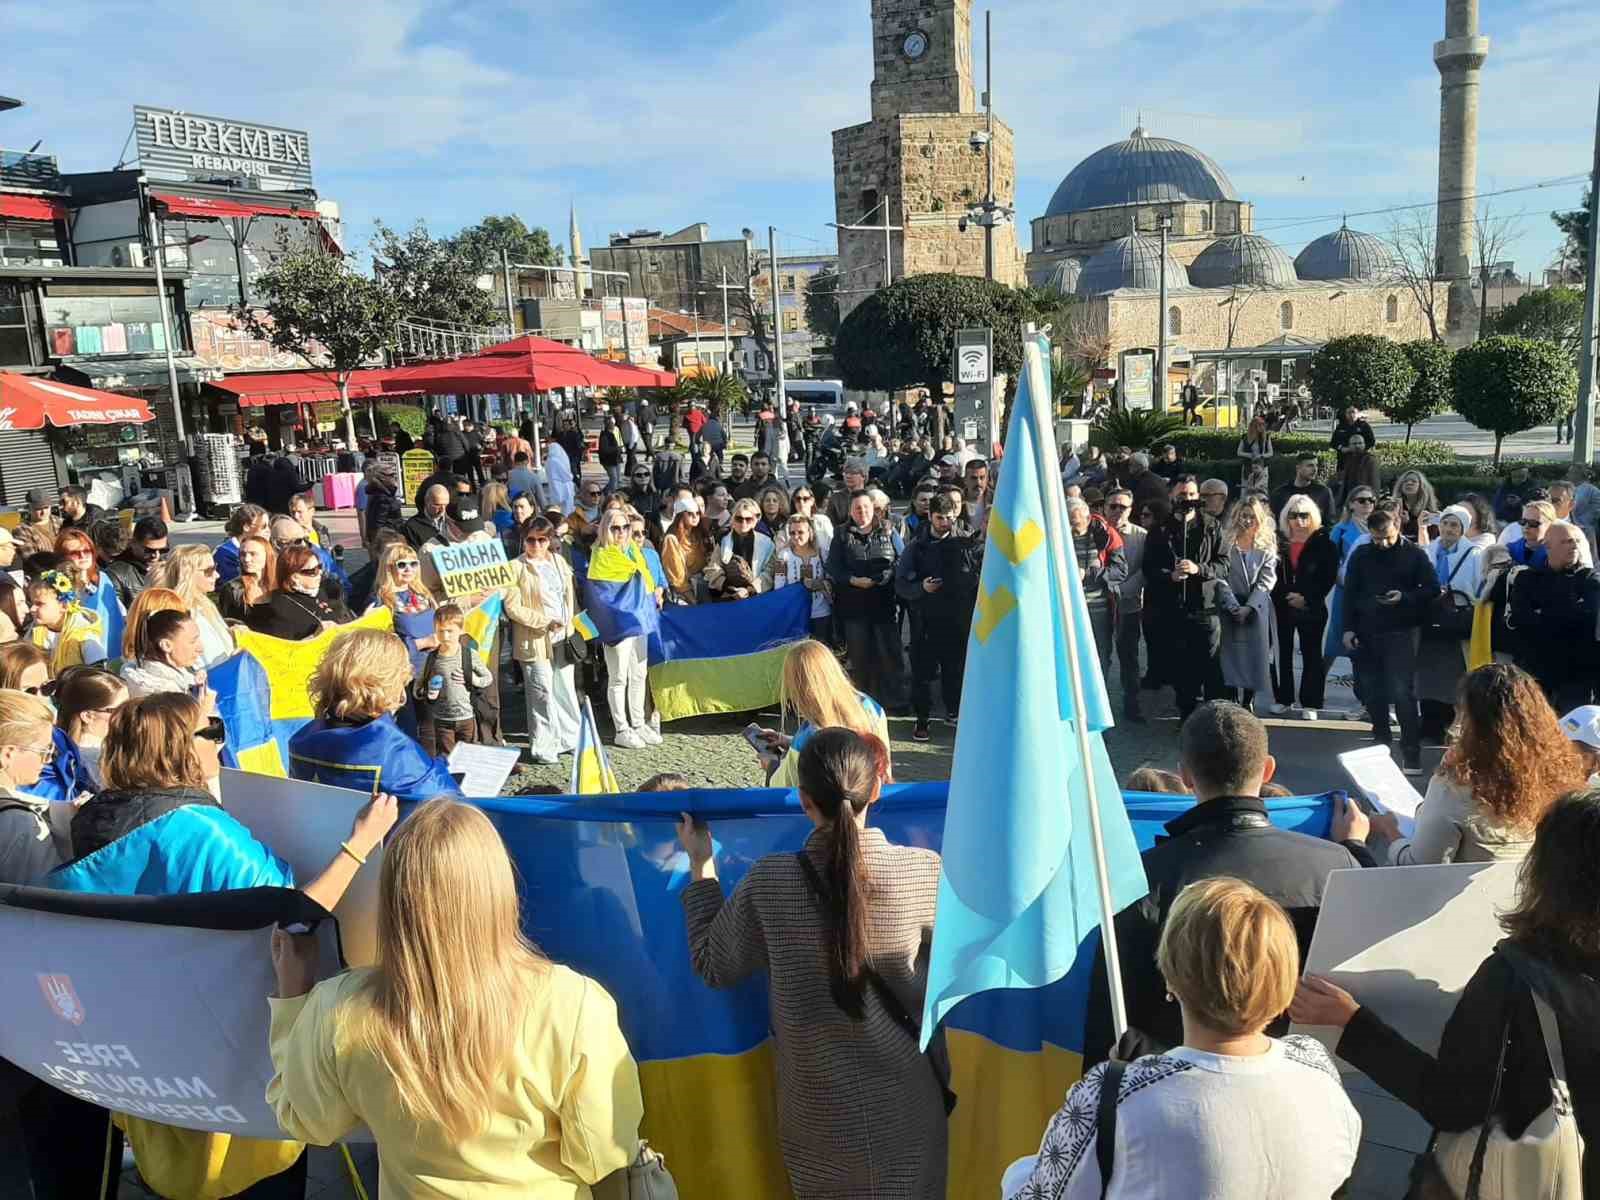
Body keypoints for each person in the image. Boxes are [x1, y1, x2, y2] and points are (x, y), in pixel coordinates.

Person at [52, 691, 399, 1200]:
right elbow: (294, 918)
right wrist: (361, 843)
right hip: (230, 1047)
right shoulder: (201, 832)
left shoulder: (91, 822)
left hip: (150, 1041)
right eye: (210, 731)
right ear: (177, 749)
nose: (220, 741)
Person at [267, 798, 644, 1197]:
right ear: (499, 888)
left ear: (393, 897)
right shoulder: (574, 1005)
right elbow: (601, 1155)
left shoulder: (337, 1006)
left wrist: (293, 1000)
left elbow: (307, 1122)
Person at [1292, 788, 1600, 1200]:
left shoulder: (1515, 977)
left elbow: (1452, 1103)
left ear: (1549, 873)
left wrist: (1352, 1024)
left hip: (1539, 1177)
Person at [679, 727, 946, 1199]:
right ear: (876, 789)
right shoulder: (923, 871)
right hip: (909, 1104)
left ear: (803, 800)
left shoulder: (770, 882)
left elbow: (713, 964)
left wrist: (702, 867)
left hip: (818, 1120)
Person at [1010, 878, 1360, 1200]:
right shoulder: (1317, 1069)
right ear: (1283, 975)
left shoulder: (1114, 1096)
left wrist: (1018, 1173)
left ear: (1171, 977)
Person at [1085, 702, 1368, 1066]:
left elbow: (1113, 1016)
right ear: (1267, 770)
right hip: (1297, 1071)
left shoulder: (1140, 878)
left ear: (1185, 776)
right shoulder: (1335, 865)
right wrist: (1354, 848)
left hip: (1177, 1078)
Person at [1374, 663, 1592, 867]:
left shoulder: (1454, 789)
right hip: (1531, 890)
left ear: (1470, 721)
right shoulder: (1562, 780)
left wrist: (1390, 831)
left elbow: (1419, 867)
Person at [288, 629, 462, 801]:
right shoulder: (395, 752)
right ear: (389, 683)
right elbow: (451, 802)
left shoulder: (302, 739)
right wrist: (438, 767)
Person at [1341, 507, 1436, 774]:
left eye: (1387, 537)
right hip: (1367, 629)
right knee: (1372, 692)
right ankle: (1380, 743)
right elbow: (1349, 594)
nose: (1382, 543)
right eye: (1376, 538)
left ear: (1397, 527)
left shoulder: (1415, 554)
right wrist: (1347, 629)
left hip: (1401, 630)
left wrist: (1405, 597)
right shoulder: (1362, 554)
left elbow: (1432, 587)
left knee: (1402, 693)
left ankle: (1411, 752)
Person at [897, 494, 984, 741]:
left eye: (948, 518)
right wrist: (921, 588)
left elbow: (980, 572)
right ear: (930, 516)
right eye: (939, 518)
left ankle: (954, 711)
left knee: (954, 670)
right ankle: (922, 718)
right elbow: (901, 584)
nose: (945, 523)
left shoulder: (966, 542)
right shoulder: (916, 547)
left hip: (957, 618)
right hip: (925, 621)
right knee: (922, 673)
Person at [1143, 477, 1227, 719]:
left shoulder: (1212, 526)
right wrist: (1170, 575)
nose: (1187, 500)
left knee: (1210, 663)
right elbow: (1149, 568)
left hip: (1205, 607)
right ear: (1172, 497)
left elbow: (1223, 565)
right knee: (1181, 666)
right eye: (1182, 495)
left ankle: (1215, 717)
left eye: (1192, 495)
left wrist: (1199, 568)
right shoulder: (1160, 529)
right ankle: (1187, 715)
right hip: (1173, 608)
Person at [505, 518, 580, 766]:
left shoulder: (559, 561)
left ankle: (571, 738)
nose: (536, 545)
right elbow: (512, 607)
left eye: (542, 540)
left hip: (563, 636)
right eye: (531, 540)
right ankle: (544, 746)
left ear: (550, 540)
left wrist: (568, 623)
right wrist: (544, 621)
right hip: (534, 638)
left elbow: (568, 596)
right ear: (523, 539)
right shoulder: (515, 567)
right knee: (541, 692)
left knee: (565, 689)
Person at [1508, 520, 1600, 711]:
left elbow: (1589, 616)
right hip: (1536, 672)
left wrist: (1543, 612)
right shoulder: (1527, 579)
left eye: (1577, 541)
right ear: (1548, 546)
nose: (1574, 546)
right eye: (1567, 541)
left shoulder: (1590, 579)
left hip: (1578, 675)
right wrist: (1569, 612)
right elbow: (1522, 620)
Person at [589, 508, 662, 749]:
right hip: (618, 624)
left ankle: (638, 723)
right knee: (618, 677)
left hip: (639, 619)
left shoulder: (633, 551)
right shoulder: (601, 556)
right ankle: (621, 728)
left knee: (639, 674)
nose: (621, 532)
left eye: (625, 527)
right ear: (605, 529)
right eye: (615, 528)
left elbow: (646, 584)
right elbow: (602, 597)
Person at [827, 489, 905, 707]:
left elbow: (902, 559)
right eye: (857, 508)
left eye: (866, 507)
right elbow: (833, 566)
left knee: (890, 654)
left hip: (884, 604)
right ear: (850, 511)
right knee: (861, 658)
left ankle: (896, 701)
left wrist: (885, 575)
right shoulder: (841, 534)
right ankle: (864, 704)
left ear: (874, 509)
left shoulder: (889, 530)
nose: (862, 512)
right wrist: (853, 580)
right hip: (854, 607)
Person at [1415, 504, 1486, 733]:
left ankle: (1448, 723)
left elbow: (1480, 589)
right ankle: (1428, 723)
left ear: (1462, 529)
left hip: (1456, 624)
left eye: (1454, 525)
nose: (1448, 529)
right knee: (1427, 673)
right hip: (1429, 621)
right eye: (1445, 523)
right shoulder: (1427, 551)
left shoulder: (1474, 555)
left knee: (1454, 676)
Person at [1265, 496, 1338, 717]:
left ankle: (1311, 703)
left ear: (1313, 516)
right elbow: (1269, 574)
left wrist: (1307, 598)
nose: (1299, 520)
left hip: (1312, 607)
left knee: (1312, 654)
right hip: (1282, 605)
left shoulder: (1325, 543)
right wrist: (1285, 596)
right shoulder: (1277, 543)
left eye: (1304, 515)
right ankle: (1283, 698)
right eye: (1294, 515)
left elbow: (1328, 577)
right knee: (1282, 654)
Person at [0, 688, 69, 883]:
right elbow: (45, 893)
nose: (48, 760)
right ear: (8, 754)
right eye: (44, 751)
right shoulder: (19, 823)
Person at [1215, 496, 1278, 711]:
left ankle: (1248, 700)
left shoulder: (1267, 544)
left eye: (1252, 516)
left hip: (1255, 607)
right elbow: (1220, 575)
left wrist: (1249, 607)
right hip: (1228, 604)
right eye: (1243, 516)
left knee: (1254, 654)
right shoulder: (1226, 541)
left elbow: (1267, 580)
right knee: (1230, 654)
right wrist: (1232, 605)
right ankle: (1231, 699)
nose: (1247, 520)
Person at [411, 602, 492, 758]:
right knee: (447, 757)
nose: (445, 636)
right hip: (442, 719)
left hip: (466, 717)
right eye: (440, 631)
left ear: (461, 630)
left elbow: (487, 678)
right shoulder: (431, 658)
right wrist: (428, 692)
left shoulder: (469, 655)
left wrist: (473, 679)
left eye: (450, 631)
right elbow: (417, 688)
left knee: (467, 756)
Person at [1100, 488, 1149, 722]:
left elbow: (1145, 570)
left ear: (1131, 510)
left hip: (1129, 605)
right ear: (1104, 507)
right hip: (1099, 605)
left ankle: (1132, 705)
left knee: (1129, 657)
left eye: (1123, 507)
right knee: (1100, 656)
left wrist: (1121, 590)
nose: (1118, 511)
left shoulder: (1141, 536)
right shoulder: (1094, 531)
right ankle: (1098, 708)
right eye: (1113, 506)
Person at [1066, 497, 1126, 680]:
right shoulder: (1058, 534)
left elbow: (1120, 571)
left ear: (1087, 518)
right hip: (1066, 608)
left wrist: (1088, 574)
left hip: (1098, 609)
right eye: (1068, 522)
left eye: (1075, 524)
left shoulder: (1107, 535)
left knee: (1099, 657)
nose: (1071, 528)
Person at [244, 544, 353, 640]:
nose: (320, 573)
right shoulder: (279, 607)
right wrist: (314, 636)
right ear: (294, 577)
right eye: (313, 571)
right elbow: (281, 649)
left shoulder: (323, 590)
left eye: (320, 567)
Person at [1319, 486, 1376, 665]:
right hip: (1346, 590)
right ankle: (1319, 678)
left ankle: (1362, 680)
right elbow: (1328, 559)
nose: (1367, 503)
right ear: (1351, 504)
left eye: (1371, 500)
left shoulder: (1378, 527)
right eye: (1362, 500)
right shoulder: (1341, 529)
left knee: (1365, 641)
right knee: (1337, 638)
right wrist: (1339, 577)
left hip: (1371, 591)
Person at [156, 544, 234, 667]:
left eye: (215, 567)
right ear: (187, 574)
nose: (217, 575)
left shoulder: (205, 606)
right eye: (209, 571)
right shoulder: (183, 614)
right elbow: (209, 659)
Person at [52, 666, 126, 795]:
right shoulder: (96, 758)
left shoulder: (62, 746)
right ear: (88, 716)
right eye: (119, 710)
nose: (129, 713)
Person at [769, 511, 833, 643]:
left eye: (800, 532)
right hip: (795, 613)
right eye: (792, 533)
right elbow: (779, 587)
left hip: (821, 612)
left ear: (810, 532)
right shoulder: (782, 556)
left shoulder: (821, 553)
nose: (796, 536)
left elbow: (830, 577)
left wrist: (820, 584)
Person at [27, 570, 106, 671]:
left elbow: (99, 673)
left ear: (64, 606)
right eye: (32, 603)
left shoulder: (83, 635)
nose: (32, 609)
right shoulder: (35, 631)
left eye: (39, 604)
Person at [120, 609, 208, 699]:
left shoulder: (140, 673)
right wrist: (204, 706)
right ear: (166, 645)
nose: (201, 648)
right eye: (193, 642)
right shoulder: (162, 693)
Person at [711, 498, 775, 600]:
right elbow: (713, 567)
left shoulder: (767, 543)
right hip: (728, 595)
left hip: (758, 596)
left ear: (755, 521)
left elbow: (770, 571)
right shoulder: (723, 540)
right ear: (733, 519)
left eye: (748, 519)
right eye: (739, 519)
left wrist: (750, 589)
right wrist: (727, 586)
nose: (743, 523)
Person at [102, 516, 169, 609]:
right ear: (133, 543)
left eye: (163, 550)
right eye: (149, 550)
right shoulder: (116, 574)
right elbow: (115, 613)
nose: (156, 555)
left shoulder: (169, 565)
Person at [660, 498, 711, 604]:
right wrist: (692, 601)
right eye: (690, 514)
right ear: (680, 515)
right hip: (685, 595)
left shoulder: (698, 535)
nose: (695, 517)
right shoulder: (671, 539)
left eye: (697, 513)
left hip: (703, 587)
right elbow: (677, 578)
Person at [217, 533, 277, 622]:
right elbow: (227, 622)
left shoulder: (282, 586)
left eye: (253, 554)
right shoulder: (232, 589)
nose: (246, 559)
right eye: (243, 554)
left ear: (267, 556)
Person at [1268, 454, 1335, 526]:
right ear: (1298, 468)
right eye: (1310, 466)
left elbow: (1330, 523)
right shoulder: (1280, 493)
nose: (1315, 469)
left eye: (1316, 465)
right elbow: (1272, 522)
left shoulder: (1323, 492)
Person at [1332, 434, 1380, 507]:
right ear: (1349, 446)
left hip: (1364, 499)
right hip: (1349, 499)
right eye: (1354, 444)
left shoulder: (1370, 460)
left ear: (1364, 444)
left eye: (1360, 443)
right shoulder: (1348, 458)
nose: (1357, 446)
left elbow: (1374, 482)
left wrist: (1374, 500)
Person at [1393, 468, 1440, 542]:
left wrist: (1409, 523)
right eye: (1405, 481)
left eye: (1414, 481)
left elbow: (1431, 538)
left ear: (1422, 486)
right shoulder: (1395, 507)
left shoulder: (1430, 511)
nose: (1409, 483)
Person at [13, 487, 59, 559]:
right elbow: (30, 559)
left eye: (46, 507)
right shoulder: (21, 530)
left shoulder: (61, 522)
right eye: (38, 509)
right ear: (29, 508)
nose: (43, 512)